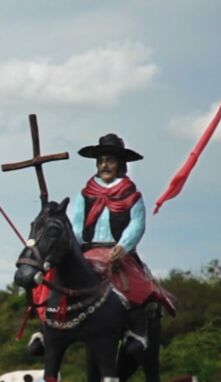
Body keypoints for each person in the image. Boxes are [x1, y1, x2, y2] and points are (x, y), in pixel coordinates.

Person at [27, 133, 172, 357]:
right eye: (101, 161)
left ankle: (136, 331)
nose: (104, 165)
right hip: (87, 250)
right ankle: (45, 329)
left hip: (118, 251)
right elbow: (76, 225)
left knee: (137, 285)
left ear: (120, 164)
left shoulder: (132, 196)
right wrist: (70, 246)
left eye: (110, 161)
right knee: (51, 277)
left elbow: (137, 224)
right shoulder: (85, 195)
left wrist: (123, 246)